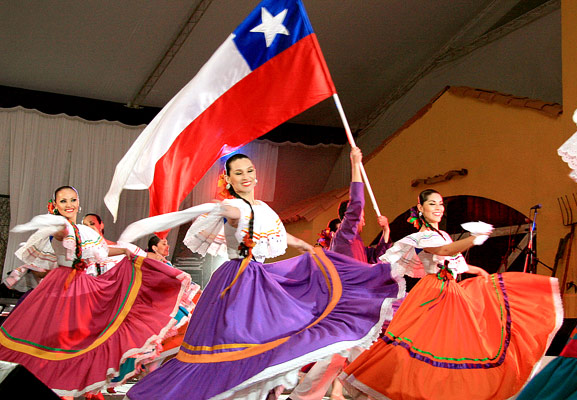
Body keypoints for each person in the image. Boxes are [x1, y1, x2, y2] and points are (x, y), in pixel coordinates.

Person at [126, 153, 403, 400]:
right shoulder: (235, 206)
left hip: (260, 279)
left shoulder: (262, 208)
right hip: (236, 281)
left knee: (272, 340)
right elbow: (236, 214)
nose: (245, 177)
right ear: (229, 180)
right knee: (231, 346)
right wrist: (223, 209)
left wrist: (306, 246)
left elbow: (280, 233)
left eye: (249, 171)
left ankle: (267, 390)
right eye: (238, 173)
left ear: (256, 175)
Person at [340, 188, 564, 400]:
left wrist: (482, 274)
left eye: (440, 203)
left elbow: (458, 263)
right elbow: (444, 252)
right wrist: (473, 238)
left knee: (458, 343)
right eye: (431, 203)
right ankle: (398, 387)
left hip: (453, 290)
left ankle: (442, 391)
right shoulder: (420, 237)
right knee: (421, 346)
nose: (438, 207)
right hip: (433, 293)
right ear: (420, 208)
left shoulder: (443, 234)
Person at [0, 186, 194, 399]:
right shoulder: (61, 227)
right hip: (62, 287)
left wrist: (125, 250)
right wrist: (55, 224)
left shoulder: (85, 231)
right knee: (59, 341)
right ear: (55, 205)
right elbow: (62, 232)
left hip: (83, 286)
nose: (69, 205)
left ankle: (72, 388)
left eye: (73, 200)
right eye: (63, 201)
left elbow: (100, 250)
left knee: (85, 337)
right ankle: (55, 388)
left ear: (79, 203)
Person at [288, 147, 393, 400]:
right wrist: (355, 164)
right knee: (341, 354)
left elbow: (374, 258)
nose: (364, 221)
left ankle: (356, 393)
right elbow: (356, 203)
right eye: (361, 217)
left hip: (359, 303)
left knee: (350, 353)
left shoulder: (356, 243)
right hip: (348, 304)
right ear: (349, 218)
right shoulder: (344, 235)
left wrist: (386, 232)